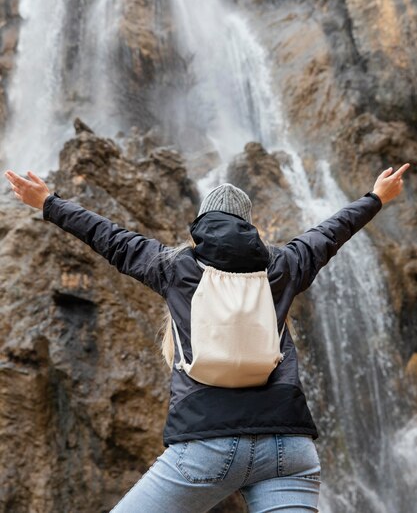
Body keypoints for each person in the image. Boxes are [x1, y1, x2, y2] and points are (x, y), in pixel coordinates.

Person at [3, 162, 410, 513]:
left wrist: (49, 203)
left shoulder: (175, 268)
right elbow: (331, 232)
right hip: (288, 447)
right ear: (249, 226)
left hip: (206, 443)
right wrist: (375, 197)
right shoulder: (285, 264)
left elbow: (110, 237)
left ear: (201, 225)